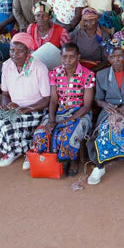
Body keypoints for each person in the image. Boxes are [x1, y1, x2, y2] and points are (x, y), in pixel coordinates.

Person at [0, 33, 50, 168]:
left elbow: (46, 99)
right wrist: (6, 104)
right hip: (16, 109)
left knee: (6, 125)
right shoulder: (7, 65)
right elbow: (5, 93)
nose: (14, 54)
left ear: (28, 51)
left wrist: (25, 109)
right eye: (12, 50)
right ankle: (15, 150)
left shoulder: (39, 68)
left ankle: (20, 151)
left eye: (19, 51)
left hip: (36, 110)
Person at [87, 39, 124, 185]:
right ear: (108, 58)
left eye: (120, 56)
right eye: (112, 56)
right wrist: (104, 104)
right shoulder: (101, 75)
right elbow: (98, 99)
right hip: (110, 112)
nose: (116, 59)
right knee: (104, 134)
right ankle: (100, 166)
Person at [32, 43, 95, 177]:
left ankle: (73, 159)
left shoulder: (87, 75)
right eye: (64, 57)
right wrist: (52, 120)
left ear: (78, 57)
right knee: (40, 133)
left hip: (80, 113)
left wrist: (68, 120)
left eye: (71, 57)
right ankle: (54, 159)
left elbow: (87, 106)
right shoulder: (55, 73)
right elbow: (53, 100)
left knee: (67, 135)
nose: (67, 60)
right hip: (59, 111)